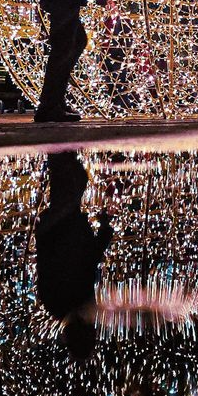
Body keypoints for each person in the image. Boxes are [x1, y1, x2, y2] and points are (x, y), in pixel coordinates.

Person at [36, 152, 113, 361]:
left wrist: (103, 234)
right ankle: (60, 149)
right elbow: (87, 264)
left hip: (61, 227)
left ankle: (58, 144)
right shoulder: (60, 306)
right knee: (72, 180)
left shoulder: (67, 303)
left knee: (73, 180)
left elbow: (85, 263)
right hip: (60, 228)